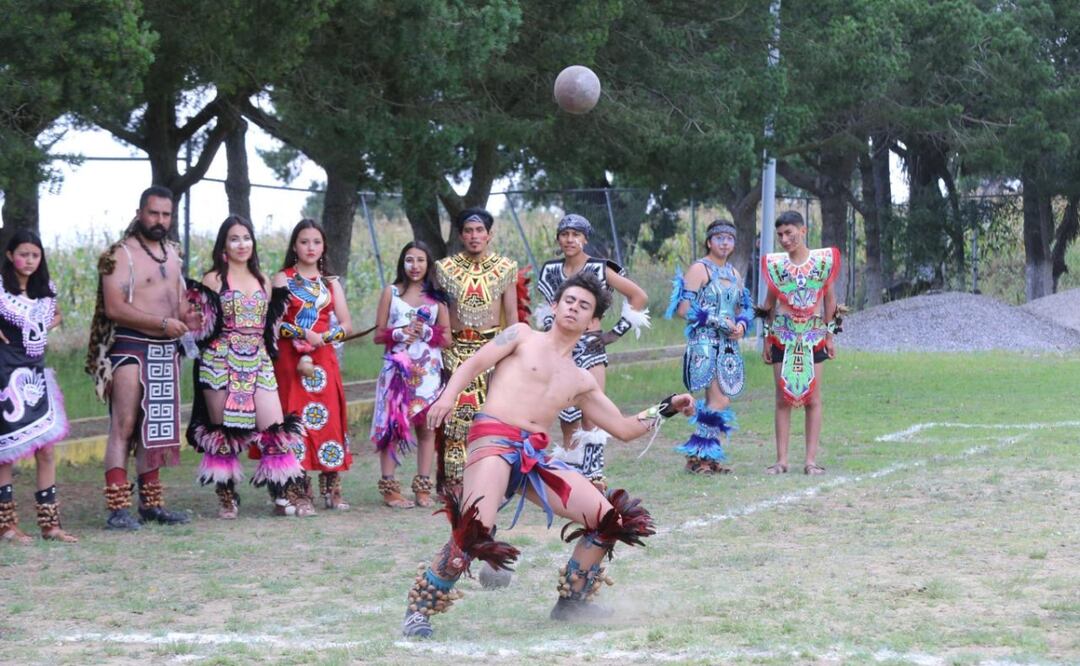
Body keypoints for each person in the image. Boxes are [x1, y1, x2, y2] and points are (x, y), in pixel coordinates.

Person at [400, 271, 695, 639]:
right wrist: (446, 398)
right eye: (569, 301)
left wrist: (666, 407)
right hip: (493, 437)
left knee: (608, 518)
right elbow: (474, 364)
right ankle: (418, 611)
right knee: (474, 529)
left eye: (584, 306)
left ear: (592, 321)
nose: (574, 308)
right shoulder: (522, 335)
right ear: (554, 306)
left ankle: (573, 603)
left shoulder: (582, 380)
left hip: (534, 457)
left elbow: (623, 427)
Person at [86, 186, 196, 530]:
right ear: (139, 213)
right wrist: (162, 323)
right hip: (130, 347)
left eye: (166, 214)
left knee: (157, 428)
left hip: (166, 349)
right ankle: (118, 507)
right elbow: (116, 308)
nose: (160, 220)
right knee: (124, 424)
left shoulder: (173, 254)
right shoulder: (120, 255)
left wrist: (193, 317)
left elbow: (179, 302)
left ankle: (152, 505)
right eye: (154, 213)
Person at [186, 216, 308, 518]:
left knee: (274, 428)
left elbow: (272, 327)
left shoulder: (263, 281)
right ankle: (226, 495)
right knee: (222, 433)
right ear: (224, 245)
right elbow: (200, 324)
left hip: (258, 359)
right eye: (234, 239)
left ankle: (282, 493)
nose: (242, 244)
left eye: (246, 238)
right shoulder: (213, 279)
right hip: (219, 361)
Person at [535, 213, 650, 491]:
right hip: (561, 351)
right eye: (565, 234)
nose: (570, 239)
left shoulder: (599, 268)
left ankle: (595, 478)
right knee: (565, 414)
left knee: (593, 415)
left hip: (590, 348)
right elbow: (549, 309)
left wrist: (614, 333)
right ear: (558, 238)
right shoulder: (551, 270)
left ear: (585, 239)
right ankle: (571, 476)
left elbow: (639, 296)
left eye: (576, 234)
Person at [434, 208, 518, 497]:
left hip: (492, 349)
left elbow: (512, 316)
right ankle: (454, 483)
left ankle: (491, 479)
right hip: (456, 350)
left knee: (492, 415)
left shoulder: (506, 268)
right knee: (455, 416)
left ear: (489, 234)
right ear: (460, 235)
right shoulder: (444, 268)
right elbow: (438, 312)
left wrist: (513, 354)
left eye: (479, 230)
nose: (474, 236)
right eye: (468, 231)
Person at [272, 219, 354, 511]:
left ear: (324, 247)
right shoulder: (282, 279)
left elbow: (347, 324)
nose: (310, 247)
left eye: (316, 242)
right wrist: (302, 333)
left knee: (329, 420)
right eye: (304, 241)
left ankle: (331, 490)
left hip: (323, 360)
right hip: (291, 362)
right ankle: (297, 491)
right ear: (294, 245)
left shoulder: (330, 282)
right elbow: (275, 324)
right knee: (295, 422)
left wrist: (324, 337)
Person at [0, 231, 76, 543]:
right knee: (5, 452)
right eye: (23, 254)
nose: (29, 261)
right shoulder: (2, 292)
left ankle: (50, 524)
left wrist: (48, 323)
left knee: (45, 449)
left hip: (35, 374)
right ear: (9, 256)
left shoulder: (45, 292)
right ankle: (6, 526)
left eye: (35, 255)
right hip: (6, 374)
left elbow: (55, 314)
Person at [758, 211, 842, 475]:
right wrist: (766, 340)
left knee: (813, 398)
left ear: (803, 231)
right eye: (780, 234)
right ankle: (782, 460)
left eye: (789, 233)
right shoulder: (777, 266)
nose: (784, 239)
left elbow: (830, 301)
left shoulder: (822, 262)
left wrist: (830, 335)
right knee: (783, 397)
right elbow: (769, 305)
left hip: (814, 336)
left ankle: (810, 461)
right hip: (783, 335)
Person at [664, 219, 751, 474]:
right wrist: (717, 321)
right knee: (719, 401)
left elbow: (743, 308)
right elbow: (683, 309)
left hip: (728, 347)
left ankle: (703, 457)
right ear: (709, 241)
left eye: (730, 238)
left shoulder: (734, 274)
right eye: (719, 237)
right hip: (705, 344)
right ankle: (699, 456)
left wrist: (742, 325)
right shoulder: (699, 269)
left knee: (718, 400)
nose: (725, 242)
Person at [371, 241, 450, 508]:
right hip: (397, 372)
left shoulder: (438, 297)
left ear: (428, 264)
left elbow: (447, 337)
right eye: (409, 260)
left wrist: (427, 333)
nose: (414, 266)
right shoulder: (391, 293)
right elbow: (377, 334)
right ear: (402, 263)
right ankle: (389, 487)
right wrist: (399, 333)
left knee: (426, 429)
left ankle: (423, 487)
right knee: (393, 427)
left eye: (420, 260)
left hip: (427, 372)